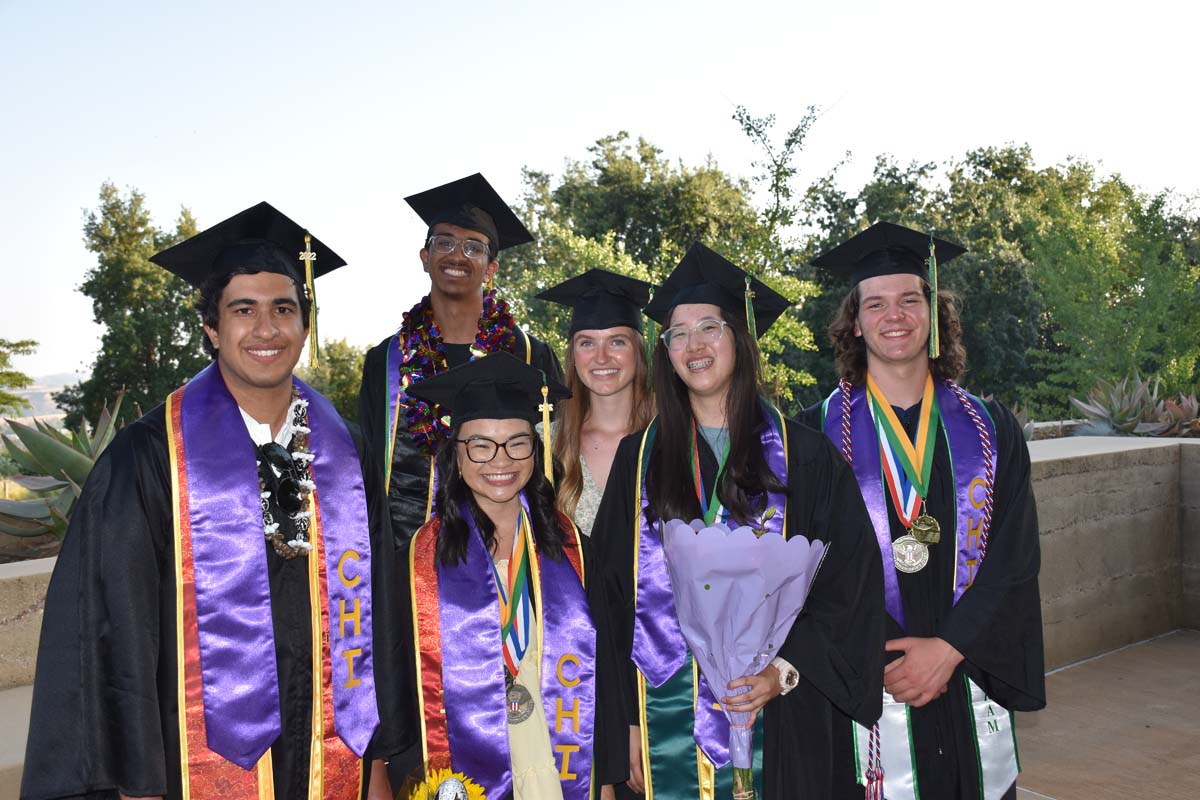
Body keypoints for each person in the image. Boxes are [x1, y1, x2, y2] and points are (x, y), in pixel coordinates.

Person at [21, 203, 402, 799]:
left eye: (284, 309)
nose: (266, 329)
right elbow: (112, 632)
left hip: (332, 756)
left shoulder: (347, 452)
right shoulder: (148, 460)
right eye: (243, 310)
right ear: (211, 328)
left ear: (305, 325)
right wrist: (139, 780)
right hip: (191, 762)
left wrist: (377, 758)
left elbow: (377, 616)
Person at [592, 243, 885, 800]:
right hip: (660, 720)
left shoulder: (807, 456)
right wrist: (622, 724)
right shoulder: (638, 461)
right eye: (677, 333)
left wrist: (785, 670)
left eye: (710, 327)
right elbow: (608, 598)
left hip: (785, 717)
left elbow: (851, 586)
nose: (693, 345)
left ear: (741, 340)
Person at [801, 221, 1045, 800]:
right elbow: (809, 572)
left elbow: (1014, 552)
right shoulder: (814, 436)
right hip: (872, 682)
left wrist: (949, 647)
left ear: (934, 312)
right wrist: (888, 659)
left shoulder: (990, 429)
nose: (896, 316)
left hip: (968, 671)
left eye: (911, 299)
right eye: (876, 303)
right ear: (855, 322)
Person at [386, 352, 627, 798]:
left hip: (560, 763)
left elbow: (606, 677)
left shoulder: (572, 550)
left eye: (518, 442)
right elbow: (399, 690)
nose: (501, 460)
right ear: (455, 455)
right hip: (462, 774)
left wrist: (607, 781)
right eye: (480, 444)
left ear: (536, 450)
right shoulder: (416, 563)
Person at [358, 173, 563, 547]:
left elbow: (555, 462)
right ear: (425, 257)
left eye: (474, 247)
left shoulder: (532, 356)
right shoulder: (385, 363)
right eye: (445, 243)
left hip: (516, 556)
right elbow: (369, 471)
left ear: (491, 268)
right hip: (407, 555)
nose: (457, 255)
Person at [535, 269, 655, 536]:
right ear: (573, 355)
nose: (601, 357)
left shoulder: (671, 435)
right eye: (587, 343)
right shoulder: (544, 443)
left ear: (639, 351)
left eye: (617, 341)